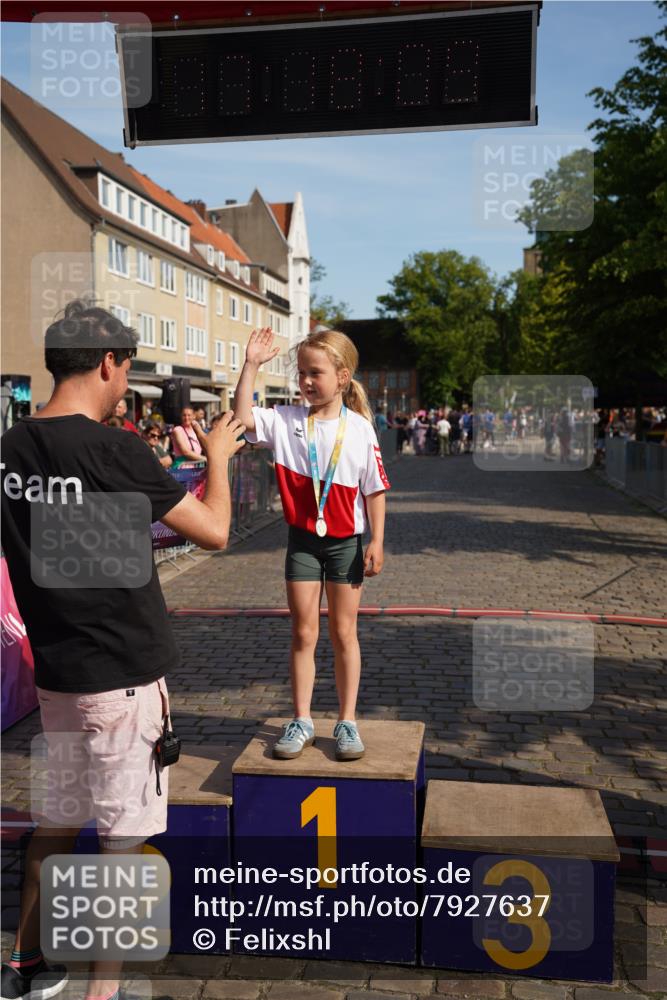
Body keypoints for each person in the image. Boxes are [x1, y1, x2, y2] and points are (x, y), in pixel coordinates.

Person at [0, 300, 246, 1000]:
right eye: (127, 369)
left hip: (57, 673)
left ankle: (27, 965)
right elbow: (216, 532)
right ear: (109, 362)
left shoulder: (9, 448)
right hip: (123, 678)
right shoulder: (113, 447)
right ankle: (102, 992)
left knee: (57, 819)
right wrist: (219, 458)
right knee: (120, 841)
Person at [234, 327, 389, 763]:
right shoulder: (285, 421)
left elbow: (376, 489)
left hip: (346, 544)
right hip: (302, 542)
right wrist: (251, 364)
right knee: (303, 632)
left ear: (342, 376)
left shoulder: (359, 429)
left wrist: (377, 539)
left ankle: (347, 720)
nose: (305, 381)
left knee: (344, 633)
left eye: (314, 373)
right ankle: (301, 719)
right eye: (301, 372)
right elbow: (243, 417)